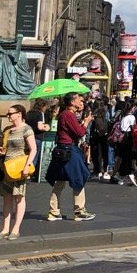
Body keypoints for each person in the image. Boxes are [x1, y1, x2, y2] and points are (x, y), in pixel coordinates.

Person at [45, 92, 96, 221]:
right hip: (69, 150)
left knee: (60, 180)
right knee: (79, 178)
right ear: (72, 102)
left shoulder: (65, 114)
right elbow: (79, 132)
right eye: (80, 100)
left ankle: (54, 210)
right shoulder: (68, 115)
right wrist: (86, 122)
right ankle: (79, 210)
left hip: (63, 149)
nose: (82, 103)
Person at [0, 104, 37, 239]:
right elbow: (5, 147)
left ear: (19, 114)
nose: (8, 116)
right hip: (7, 167)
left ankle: (16, 228)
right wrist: (2, 151)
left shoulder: (26, 129)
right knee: (7, 198)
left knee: (19, 197)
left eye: (10, 113)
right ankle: (5, 228)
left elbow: (33, 149)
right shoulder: (8, 130)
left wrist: (27, 165)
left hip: (19, 167)